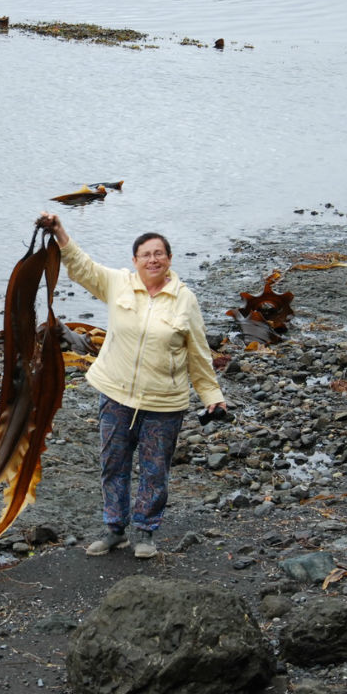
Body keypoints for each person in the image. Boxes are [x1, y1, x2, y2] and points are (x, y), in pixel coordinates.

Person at [35, 212, 226, 559]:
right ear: (134, 260)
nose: (153, 260)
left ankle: (146, 533)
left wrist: (212, 397)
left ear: (169, 259)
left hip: (164, 404)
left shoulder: (186, 300)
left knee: (155, 472)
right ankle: (114, 530)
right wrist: (60, 232)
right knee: (113, 464)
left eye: (159, 254)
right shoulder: (119, 283)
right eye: (145, 255)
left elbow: (198, 354)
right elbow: (82, 267)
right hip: (116, 396)